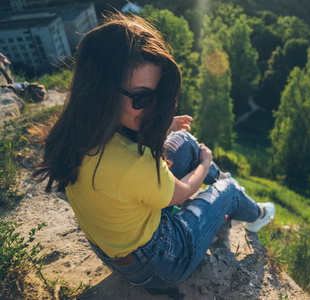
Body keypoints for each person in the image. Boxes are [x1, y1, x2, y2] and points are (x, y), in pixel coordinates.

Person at [34, 13, 275, 289]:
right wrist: (204, 165)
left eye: (157, 95)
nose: (154, 108)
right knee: (229, 188)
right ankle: (255, 213)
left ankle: (220, 191)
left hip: (115, 248)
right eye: (142, 97)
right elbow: (179, 194)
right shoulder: (131, 162)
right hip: (160, 263)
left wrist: (164, 127)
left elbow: (127, 169)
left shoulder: (77, 132)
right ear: (102, 91)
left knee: (183, 140)